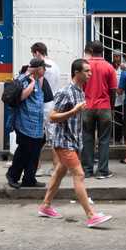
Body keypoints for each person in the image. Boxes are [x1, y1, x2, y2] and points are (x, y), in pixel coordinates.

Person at [38, 58, 113, 228]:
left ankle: (45, 206)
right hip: (64, 141)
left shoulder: (80, 90)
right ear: (77, 72)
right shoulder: (65, 92)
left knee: (59, 173)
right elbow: (52, 116)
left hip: (73, 140)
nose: (90, 74)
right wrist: (73, 111)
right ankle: (91, 215)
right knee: (79, 175)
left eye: (90, 71)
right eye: (87, 71)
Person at [6, 58, 47, 189]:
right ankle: (12, 175)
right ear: (38, 69)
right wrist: (32, 84)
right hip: (25, 123)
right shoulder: (25, 79)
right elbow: (21, 97)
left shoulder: (37, 80)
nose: (45, 71)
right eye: (44, 68)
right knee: (24, 151)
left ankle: (29, 178)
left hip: (36, 124)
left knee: (34, 152)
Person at [82, 41, 118, 179]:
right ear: (103, 51)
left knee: (87, 138)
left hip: (87, 106)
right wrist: (112, 107)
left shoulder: (84, 66)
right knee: (104, 140)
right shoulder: (109, 67)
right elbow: (113, 90)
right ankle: (102, 171)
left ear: (90, 50)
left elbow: (79, 86)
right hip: (104, 107)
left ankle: (87, 170)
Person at [31, 42, 60, 178]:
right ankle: (56, 167)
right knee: (53, 138)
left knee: (37, 136)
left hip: (41, 104)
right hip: (53, 104)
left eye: (33, 54)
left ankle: (37, 167)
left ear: (37, 52)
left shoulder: (38, 66)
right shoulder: (56, 65)